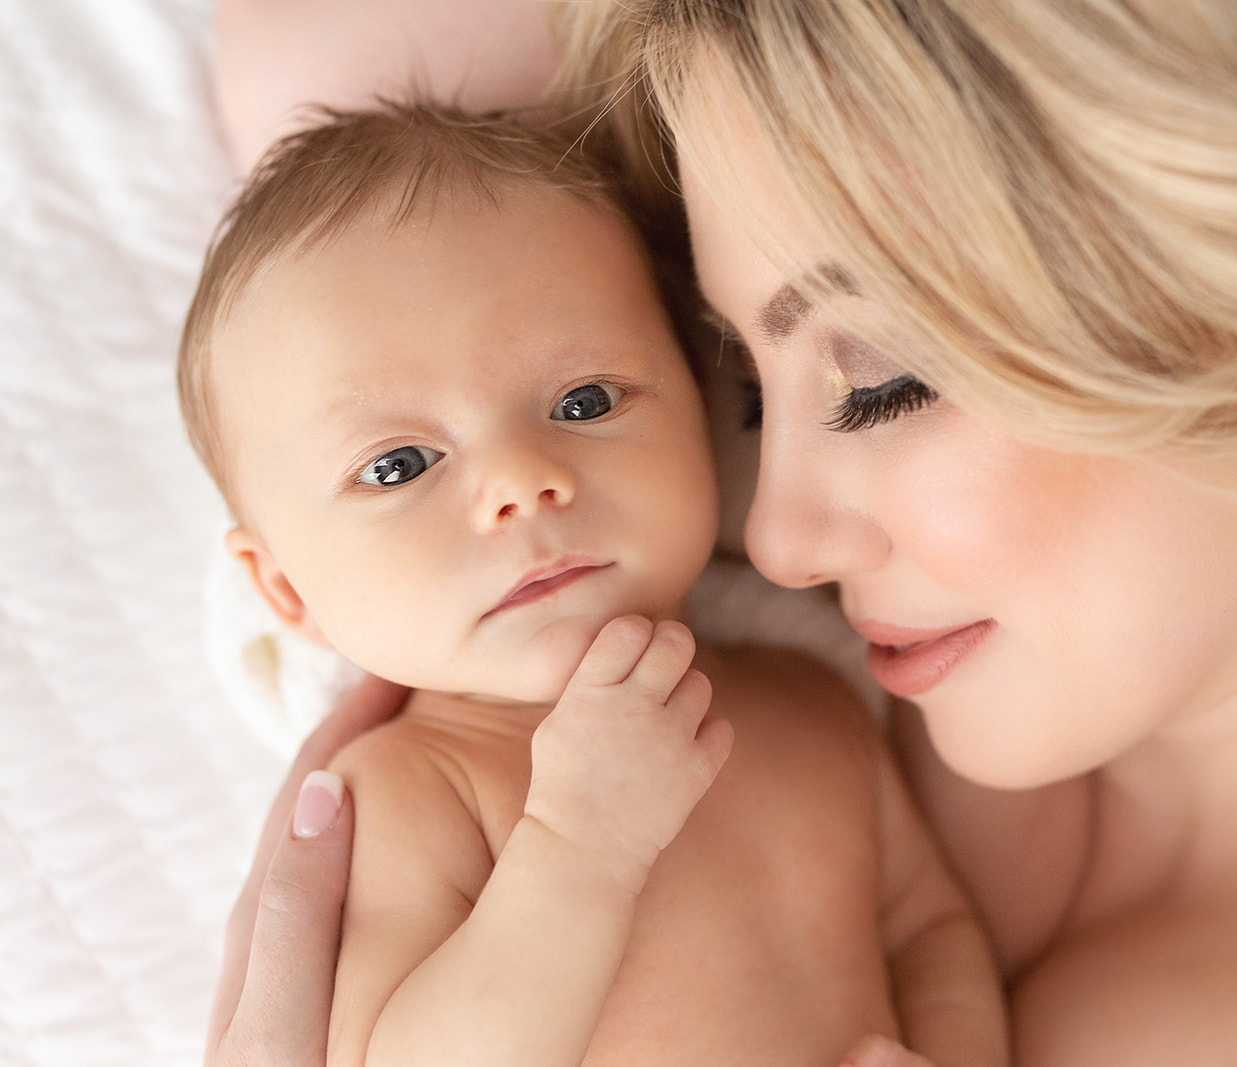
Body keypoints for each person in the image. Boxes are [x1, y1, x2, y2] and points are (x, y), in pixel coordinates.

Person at [208, 1, 1237, 1065]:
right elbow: (309, 81)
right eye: (740, 386)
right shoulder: (736, 680)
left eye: (882, 378)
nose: (781, 534)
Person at [184, 102, 1007, 1067]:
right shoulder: (414, 794)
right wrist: (577, 846)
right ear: (287, 591)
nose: (520, 481)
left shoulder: (816, 713)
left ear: (700, 410)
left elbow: (932, 933)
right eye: (400, 464)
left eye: (583, 401)